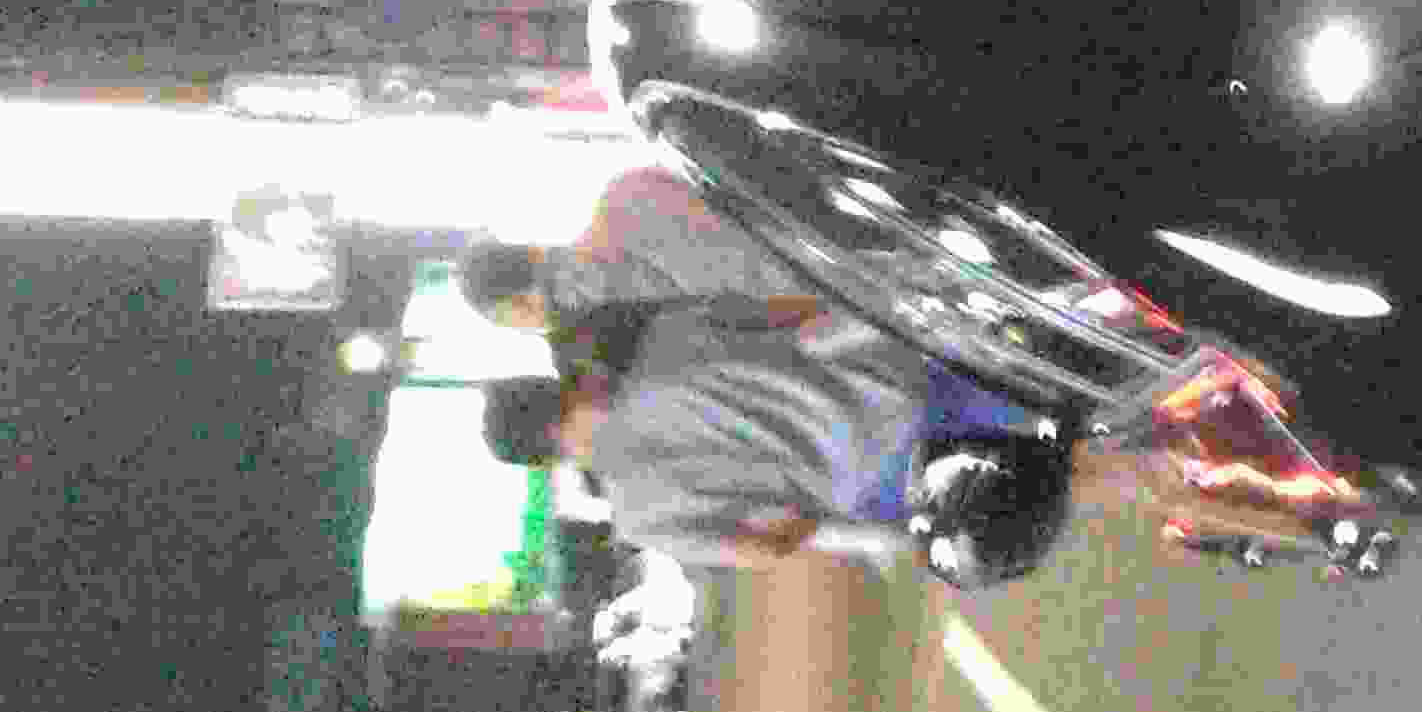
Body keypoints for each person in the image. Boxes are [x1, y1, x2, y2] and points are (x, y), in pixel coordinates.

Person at [478, 308, 1313, 570]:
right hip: (903, 386)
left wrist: (828, 507)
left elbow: (770, 545)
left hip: (890, 476)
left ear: (545, 458)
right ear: (558, 386)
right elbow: (799, 317)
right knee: (1098, 396)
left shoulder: (641, 515)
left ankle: (1302, 514)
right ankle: (1269, 389)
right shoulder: (666, 340)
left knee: (1105, 477)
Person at [459, 161, 808, 324]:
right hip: (815, 207)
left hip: (826, 308)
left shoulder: (631, 353)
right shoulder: (627, 188)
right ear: (533, 248)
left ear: (522, 307)